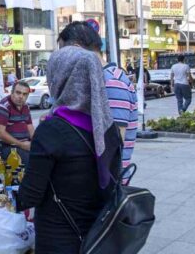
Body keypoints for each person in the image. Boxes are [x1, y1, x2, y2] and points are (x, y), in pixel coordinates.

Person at [17, 46, 122, 254]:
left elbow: (29, 196)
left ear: (60, 78)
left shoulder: (52, 130)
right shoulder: (108, 129)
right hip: (101, 247)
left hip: (61, 252)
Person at [57, 21, 138, 181]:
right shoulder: (96, 79)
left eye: (63, 53)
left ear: (77, 48)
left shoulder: (111, 82)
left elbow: (113, 143)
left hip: (105, 184)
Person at [0, 80, 34, 164]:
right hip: (2, 146)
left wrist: (36, 143)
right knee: (31, 161)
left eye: (24, 94)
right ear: (12, 93)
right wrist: (21, 145)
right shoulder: (3, 106)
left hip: (22, 145)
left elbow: (30, 127)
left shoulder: (25, 106)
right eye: (18, 93)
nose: (21, 96)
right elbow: (0, 133)